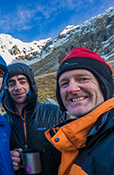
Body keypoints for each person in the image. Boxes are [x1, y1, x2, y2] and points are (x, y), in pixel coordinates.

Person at [45, 47, 114, 175]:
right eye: (64, 83)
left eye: (82, 79)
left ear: (104, 85)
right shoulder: (74, 138)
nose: (71, 89)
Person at [2, 63, 70, 175]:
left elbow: (73, 152)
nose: (17, 87)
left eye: (22, 81)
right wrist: (9, 159)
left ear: (30, 84)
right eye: (11, 83)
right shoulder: (3, 123)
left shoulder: (56, 113)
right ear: (7, 89)